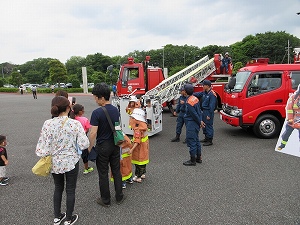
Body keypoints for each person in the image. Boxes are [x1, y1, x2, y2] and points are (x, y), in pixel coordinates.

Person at [36, 96, 89, 225]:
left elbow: (41, 148)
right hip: (71, 161)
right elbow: (84, 144)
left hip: (54, 162)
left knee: (58, 187)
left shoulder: (47, 123)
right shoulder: (74, 123)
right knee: (70, 189)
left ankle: (57, 216)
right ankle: (69, 218)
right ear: (68, 108)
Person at [88, 83, 125, 207]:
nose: (95, 100)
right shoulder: (115, 110)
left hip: (103, 146)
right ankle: (119, 196)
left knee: (103, 174)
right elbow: (117, 127)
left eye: (95, 97)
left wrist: (89, 148)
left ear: (102, 98)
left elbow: (93, 133)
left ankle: (106, 200)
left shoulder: (97, 113)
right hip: (115, 144)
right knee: (116, 170)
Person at [183, 84, 204, 166]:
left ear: (185, 91)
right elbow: (199, 111)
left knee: (192, 141)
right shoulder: (195, 99)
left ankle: (192, 160)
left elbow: (194, 114)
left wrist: (199, 122)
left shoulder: (189, 102)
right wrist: (200, 121)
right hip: (195, 123)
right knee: (196, 140)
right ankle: (198, 158)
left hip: (191, 123)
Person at [72, 104, 94, 174]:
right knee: (85, 153)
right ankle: (86, 168)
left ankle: (72, 168)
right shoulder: (84, 119)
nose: (84, 111)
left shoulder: (71, 119)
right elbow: (87, 128)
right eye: (82, 110)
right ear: (80, 112)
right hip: (82, 138)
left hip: (73, 139)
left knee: (74, 153)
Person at [194, 80, 217, 146]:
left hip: (208, 111)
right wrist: (190, 94)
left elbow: (212, 106)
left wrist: (209, 115)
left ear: (207, 86)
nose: (202, 86)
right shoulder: (205, 92)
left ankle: (210, 140)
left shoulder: (212, 94)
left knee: (208, 125)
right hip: (203, 111)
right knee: (204, 125)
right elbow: (198, 94)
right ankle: (206, 138)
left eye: (203, 85)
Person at [129, 108, 149, 183]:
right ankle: (143, 173)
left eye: (132, 118)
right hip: (144, 147)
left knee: (138, 162)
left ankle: (138, 176)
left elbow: (137, 141)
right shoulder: (143, 126)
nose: (131, 119)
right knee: (143, 161)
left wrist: (131, 149)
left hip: (139, 148)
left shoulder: (137, 129)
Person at [278, 84, 300, 150]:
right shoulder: (294, 97)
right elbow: (289, 108)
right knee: (286, 134)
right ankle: (282, 145)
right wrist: (290, 119)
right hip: (293, 120)